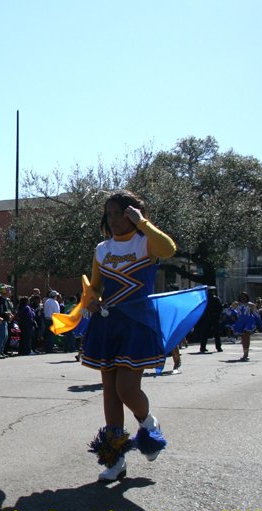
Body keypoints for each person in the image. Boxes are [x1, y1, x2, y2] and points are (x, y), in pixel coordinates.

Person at [80, 191, 177, 482]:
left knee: (126, 389)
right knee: (110, 392)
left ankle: (148, 424)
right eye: (109, 214)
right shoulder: (102, 249)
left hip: (137, 323)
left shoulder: (146, 241)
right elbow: (96, 286)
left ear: (133, 213)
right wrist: (92, 299)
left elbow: (169, 249)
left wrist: (143, 223)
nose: (113, 219)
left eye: (119, 213)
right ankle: (115, 458)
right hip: (107, 323)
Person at [231, 292, 262, 361]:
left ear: (247, 297)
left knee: (247, 337)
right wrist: (234, 314)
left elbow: (256, 315)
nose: (242, 298)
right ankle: (244, 353)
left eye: (244, 296)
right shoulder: (236, 304)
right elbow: (229, 310)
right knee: (243, 338)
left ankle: (246, 354)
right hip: (240, 321)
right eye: (241, 296)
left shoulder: (251, 305)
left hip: (248, 322)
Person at [196, 288, 223, 353]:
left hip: (206, 317)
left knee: (205, 333)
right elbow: (220, 308)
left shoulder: (205, 299)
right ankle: (218, 347)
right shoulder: (216, 299)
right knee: (216, 333)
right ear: (213, 291)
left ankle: (202, 347)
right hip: (214, 317)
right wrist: (218, 315)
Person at [0, 286, 14, 358]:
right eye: (9, 291)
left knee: (5, 336)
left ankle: (1, 351)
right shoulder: (0, 300)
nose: (10, 293)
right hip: (0, 320)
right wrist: (7, 313)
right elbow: (0, 312)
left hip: (5, 320)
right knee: (1, 336)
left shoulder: (6, 300)